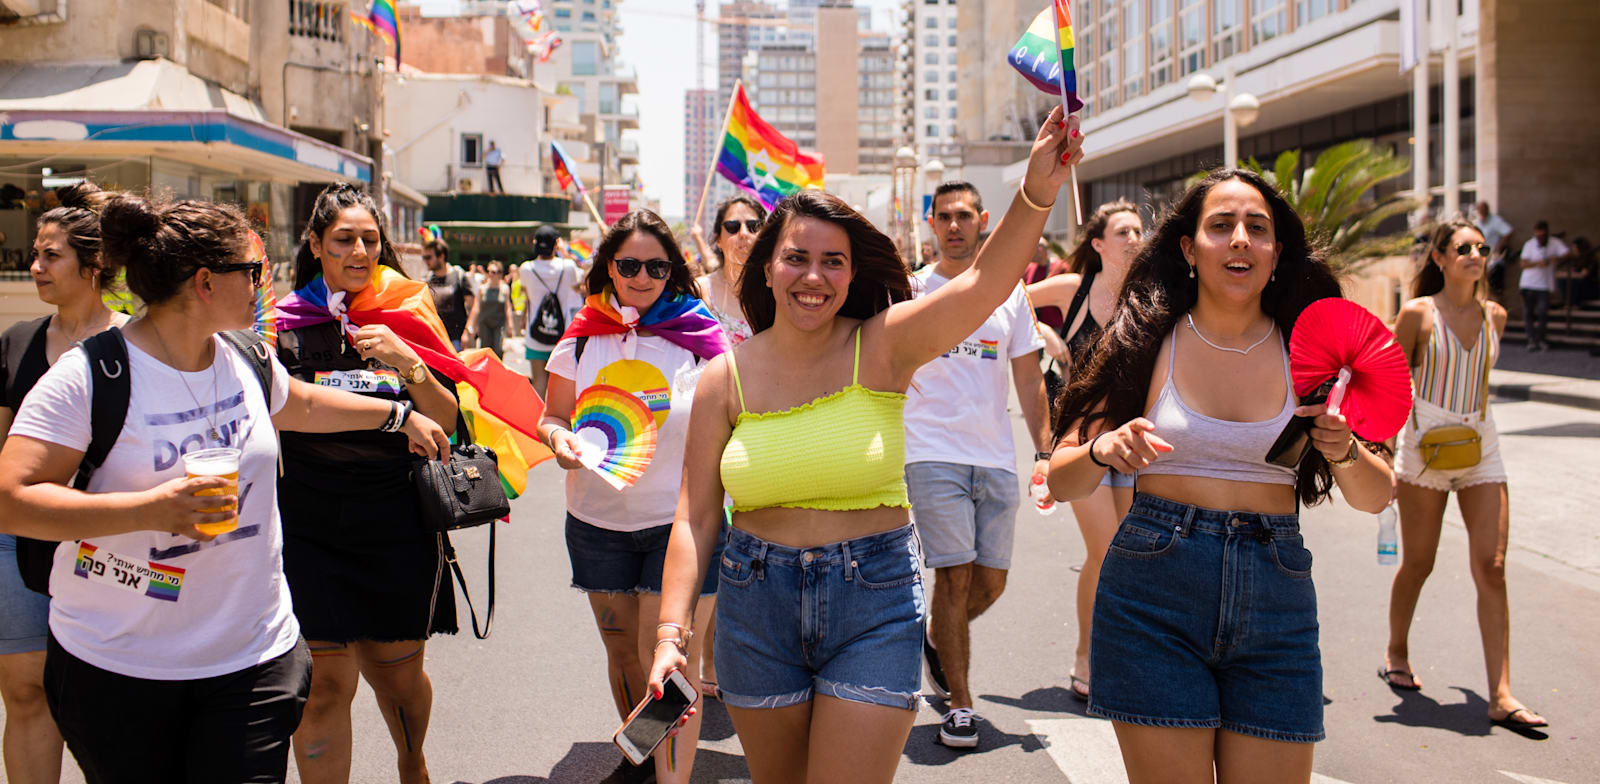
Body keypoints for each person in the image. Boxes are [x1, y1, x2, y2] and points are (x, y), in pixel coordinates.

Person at [645, 106, 1082, 783]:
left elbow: (984, 283)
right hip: (754, 605)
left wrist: (1036, 192)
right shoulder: (721, 379)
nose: (813, 277)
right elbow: (695, 519)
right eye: (796, 258)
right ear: (767, 269)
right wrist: (671, 637)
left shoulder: (883, 346)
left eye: (832, 262)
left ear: (853, 276)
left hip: (872, 600)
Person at [0, 193, 449, 783]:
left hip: (251, 658)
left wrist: (395, 416)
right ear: (207, 282)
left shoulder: (245, 357)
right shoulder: (90, 375)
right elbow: (12, 497)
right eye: (252, 272)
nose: (263, 285)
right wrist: (151, 508)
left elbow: (306, 403)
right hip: (122, 664)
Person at [1046, 168, 1394, 783]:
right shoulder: (1144, 340)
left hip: (1276, 599)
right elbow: (1064, 478)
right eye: (1221, 226)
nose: (1240, 240)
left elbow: (1376, 495)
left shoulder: (1311, 354)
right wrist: (1103, 450)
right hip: (1153, 594)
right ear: (1188, 247)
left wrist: (1342, 451)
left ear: (1276, 251)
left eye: (1257, 229)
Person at [275, 183, 463, 784]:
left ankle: (412, 761)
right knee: (325, 687)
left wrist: (407, 360)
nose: (359, 251)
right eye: (343, 239)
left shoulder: (409, 311)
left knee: (400, 680)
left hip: (397, 523)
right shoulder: (281, 325)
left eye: (370, 240)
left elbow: (452, 422)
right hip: (308, 523)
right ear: (315, 245)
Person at [538, 209, 730, 784]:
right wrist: (559, 438)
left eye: (655, 265)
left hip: (683, 527)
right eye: (629, 264)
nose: (642, 275)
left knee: (671, 660)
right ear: (609, 268)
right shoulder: (582, 334)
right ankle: (643, 753)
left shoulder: (702, 336)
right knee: (623, 654)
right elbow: (550, 415)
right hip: (595, 522)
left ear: (672, 269)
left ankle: (671, 777)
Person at [1384, 218, 1547, 730]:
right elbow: (1385, 377)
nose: (1475, 255)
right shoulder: (1417, 315)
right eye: (1463, 248)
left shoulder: (1495, 316)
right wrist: (1382, 448)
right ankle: (1396, 651)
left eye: (1482, 247)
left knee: (1492, 565)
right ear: (1439, 258)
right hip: (1424, 455)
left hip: (1482, 450)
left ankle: (1501, 694)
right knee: (1419, 563)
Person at [905, 180, 1050, 749]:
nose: (955, 225)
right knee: (956, 571)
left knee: (992, 581)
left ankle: (935, 638)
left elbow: (1029, 374)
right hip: (930, 451)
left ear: (984, 219)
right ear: (931, 224)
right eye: (945, 216)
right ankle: (960, 705)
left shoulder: (1009, 291)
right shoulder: (910, 289)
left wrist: (1045, 448)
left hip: (994, 456)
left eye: (965, 215)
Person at [0, 182, 126, 784]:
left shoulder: (136, 341)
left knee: (116, 695)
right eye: (36, 254)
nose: (36, 266)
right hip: (21, 544)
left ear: (93, 266)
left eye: (51, 255)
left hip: (120, 544)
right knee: (26, 695)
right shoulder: (18, 341)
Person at [1023, 199, 1142, 701]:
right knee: (1104, 550)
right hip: (1079, 441)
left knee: (1130, 554)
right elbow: (1008, 298)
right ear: (1098, 243)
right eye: (1123, 231)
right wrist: (1044, 331)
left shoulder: (1150, 296)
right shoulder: (1074, 289)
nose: (1135, 238)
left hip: (1133, 443)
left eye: (1140, 230)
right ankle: (1086, 657)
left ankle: (1122, 656)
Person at [691, 195, 767, 347]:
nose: (743, 233)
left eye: (753, 226)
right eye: (733, 227)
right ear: (718, 239)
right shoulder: (699, 290)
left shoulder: (775, 291)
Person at [520, 225, 584, 397]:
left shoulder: (526, 268)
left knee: (539, 383)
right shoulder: (568, 267)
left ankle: (536, 422)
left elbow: (527, 295)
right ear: (556, 244)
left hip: (535, 335)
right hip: (562, 337)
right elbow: (582, 279)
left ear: (535, 243)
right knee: (560, 388)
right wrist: (564, 251)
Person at [1516, 220, 1572, 352]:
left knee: (1542, 312)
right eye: (1538, 235)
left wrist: (1555, 259)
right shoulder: (1529, 244)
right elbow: (1523, 264)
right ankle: (1531, 339)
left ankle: (1540, 339)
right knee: (1529, 313)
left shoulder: (1554, 243)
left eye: (1543, 235)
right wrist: (1538, 263)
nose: (1540, 238)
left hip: (1544, 285)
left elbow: (1568, 254)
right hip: (1528, 284)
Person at [423, 239, 473, 351]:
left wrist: (468, 331)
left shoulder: (459, 276)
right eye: (424, 258)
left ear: (441, 256)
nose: (426, 261)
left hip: (456, 339)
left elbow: (473, 306)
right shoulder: (426, 279)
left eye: (428, 257)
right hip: (435, 339)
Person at [465, 261, 514, 358]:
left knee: (498, 349)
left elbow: (507, 307)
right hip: (485, 323)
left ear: (500, 273)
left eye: (494, 272)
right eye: (489, 271)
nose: (491, 274)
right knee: (485, 350)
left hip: (499, 323)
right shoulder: (482, 288)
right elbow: (476, 306)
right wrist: (471, 325)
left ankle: (497, 371)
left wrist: (510, 324)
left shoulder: (504, 288)